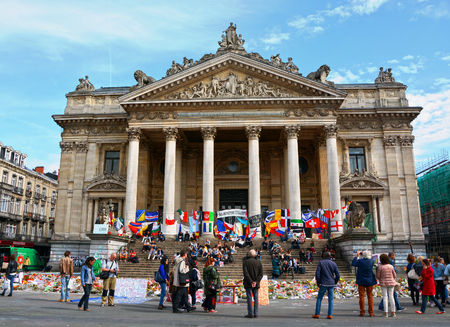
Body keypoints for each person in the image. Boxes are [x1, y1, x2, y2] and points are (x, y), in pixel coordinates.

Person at [312, 251, 340, 319]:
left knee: (319, 298)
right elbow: (338, 275)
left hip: (324, 283)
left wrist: (318, 283)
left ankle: (317, 313)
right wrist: (335, 282)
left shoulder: (321, 262)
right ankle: (330, 314)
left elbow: (317, 274)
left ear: (324, 256)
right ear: (330, 256)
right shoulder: (333, 263)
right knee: (331, 299)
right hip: (331, 283)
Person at [352, 250, 377, 317]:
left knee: (361, 296)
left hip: (361, 280)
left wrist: (357, 256)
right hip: (369, 280)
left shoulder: (360, 261)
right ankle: (371, 312)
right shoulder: (371, 261)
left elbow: (353, 263)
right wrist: (364, 255)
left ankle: (362, 312)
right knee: (370, 296)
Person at [172, 249, 195, 313]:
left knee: (185, 295)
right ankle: (175, 308)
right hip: (182, 281)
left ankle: (188, 307)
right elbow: (182, 270)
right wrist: (187, 268)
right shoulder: (182, 261)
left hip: (179, 280)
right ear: (185, 254)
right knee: (179, 295)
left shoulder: (178, 260)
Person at [243, 249, 263, 318]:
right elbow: (261, 274)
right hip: (256, 283)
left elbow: (245, 273)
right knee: (256, 298)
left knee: (249, 298)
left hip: (248, 283)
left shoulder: (245, 262)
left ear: (249, 255)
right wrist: (256, 282)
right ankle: (256, 313)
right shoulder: (259, 263)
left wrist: (251, 282)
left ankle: (250, 313)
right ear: (255, 255)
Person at [376, 253, 397, 317]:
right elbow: (395, 275)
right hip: (391, 282)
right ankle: (393, 312)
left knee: (385, 297)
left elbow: (378, 276)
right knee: (391, 297)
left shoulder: (380, 267)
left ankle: (386, 312)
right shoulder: (391, 266)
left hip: (383, 283)